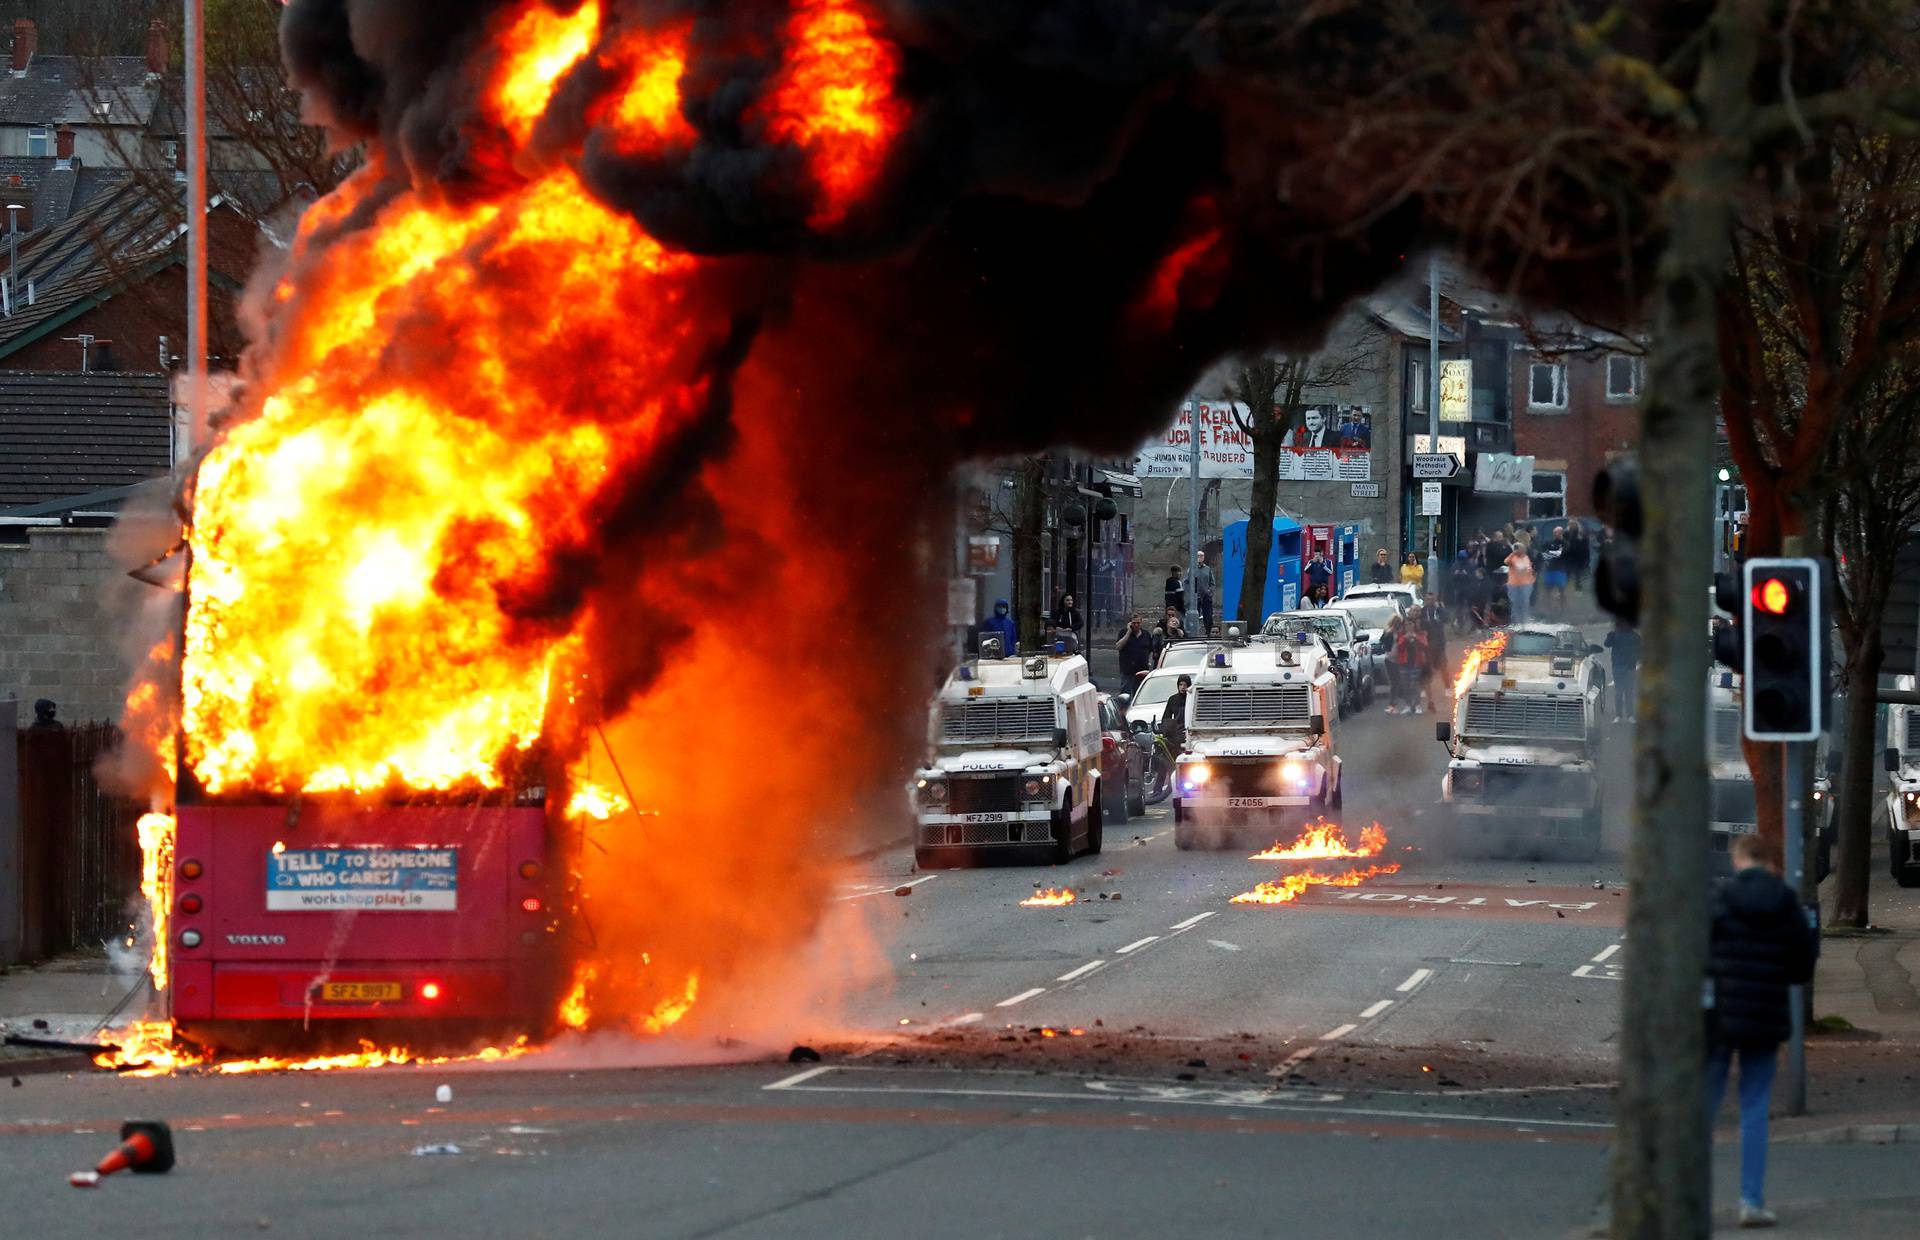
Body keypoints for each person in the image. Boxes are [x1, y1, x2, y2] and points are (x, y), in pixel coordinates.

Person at [1706, 833, 1818, 1229]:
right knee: (1754, 1109)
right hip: (1765, 1018)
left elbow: (1701, 956)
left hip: (1721, 1016)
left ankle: (1691, 1196)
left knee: (1705, 1107)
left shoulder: (1720, 898)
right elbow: (1802, 965)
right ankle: (1751, 1201)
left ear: (1738, 860)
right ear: (1769, 861)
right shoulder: (1786, 902)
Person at [1389, 608, 1429, 714]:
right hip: (1404, 663)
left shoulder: (1421, 634)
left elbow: (1425, 645)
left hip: (1416, 662)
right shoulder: (1401, 636)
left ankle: (1417, 705)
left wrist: (1415, 637)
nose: (1408, 626)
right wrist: (1405, 638)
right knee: (1405, 685)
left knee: (1415, 685)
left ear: (1414, 625)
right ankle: (1407, 705)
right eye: (1406, 625)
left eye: (1410, 624)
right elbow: (1399, 647)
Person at [1604, 619, 1641, 723]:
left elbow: (1640, 650)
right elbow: (1607, 643)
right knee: (1623, 692)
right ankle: (1625, 716)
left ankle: (1623, 716)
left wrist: (1635, 659)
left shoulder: (1633, 636)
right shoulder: (1631, 635)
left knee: (1623, 692)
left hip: (1624, 666)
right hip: (1621, 666)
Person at [1115, 614, 1155, 688]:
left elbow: (1150, 649)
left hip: (1142, 669)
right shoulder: (1123, 632)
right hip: (1128, 670)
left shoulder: (1146, 634)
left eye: (1138, 623)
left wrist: (1149, 661)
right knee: (1126, 692)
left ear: (1141, 623)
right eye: (1134, 623)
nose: (1136, 625)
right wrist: (1128, 632)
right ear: (1129, 623)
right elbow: (1118, 646)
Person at [1504, 542, 1535, 625]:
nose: (1521, 551)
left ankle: (1525, 621)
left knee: (1525, 602)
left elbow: (1529, 568)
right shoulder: (1512, 557)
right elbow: (1506, 562)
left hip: (1525, 584)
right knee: (1515, 603)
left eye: (1522, 549)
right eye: (1519, 549)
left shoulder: (1526, 557)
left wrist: (1529, 572)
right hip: (1513, 584)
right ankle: (1515, 622)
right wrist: (1513, 553)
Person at [1159, 674, 1193, 753]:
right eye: (1180, 684)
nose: (1183, 687)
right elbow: (1166, 718)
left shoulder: (1192, 699)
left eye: (1185, 685)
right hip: (1176, 733)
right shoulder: (1173, 699)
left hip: (1190, 731)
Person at [1539, 526, 1568, 612]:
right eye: (1554, 532)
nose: (1556, 534)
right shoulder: (1548, 542)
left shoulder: (1565, 543)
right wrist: (1552, 555)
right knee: (1548, 590)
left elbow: (1563, 554)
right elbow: (1543, 553)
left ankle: (1563, 609)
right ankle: (1549, 609)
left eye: (1558, 532)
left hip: (1560, 570)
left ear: (1561, 533)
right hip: (1549, 570)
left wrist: (1551, 553)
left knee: (1561, 590)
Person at [1564, 522, 1592, 595]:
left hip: (1577, 558)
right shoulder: (1568, 535)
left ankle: (1577, 589)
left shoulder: (1581, 536)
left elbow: (1586, 549)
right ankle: (1575, 589)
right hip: (1573, 558)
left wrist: (1586, 561)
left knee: (1576, 575)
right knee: (1570, 574)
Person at [1194, 551, 1216, 637]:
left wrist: (1209, 592)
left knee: (1208, 616)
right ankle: (1194, 634)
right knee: (1194, 616)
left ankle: (1209, 633)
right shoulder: (1192, 569)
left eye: (1202, 556)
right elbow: (1187, 582)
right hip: (1195, 597)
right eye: (1198, 556)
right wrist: (1190, 594)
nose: (1200, 557)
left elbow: (1212, 583)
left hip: (1206, 597)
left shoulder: (1208, 569)